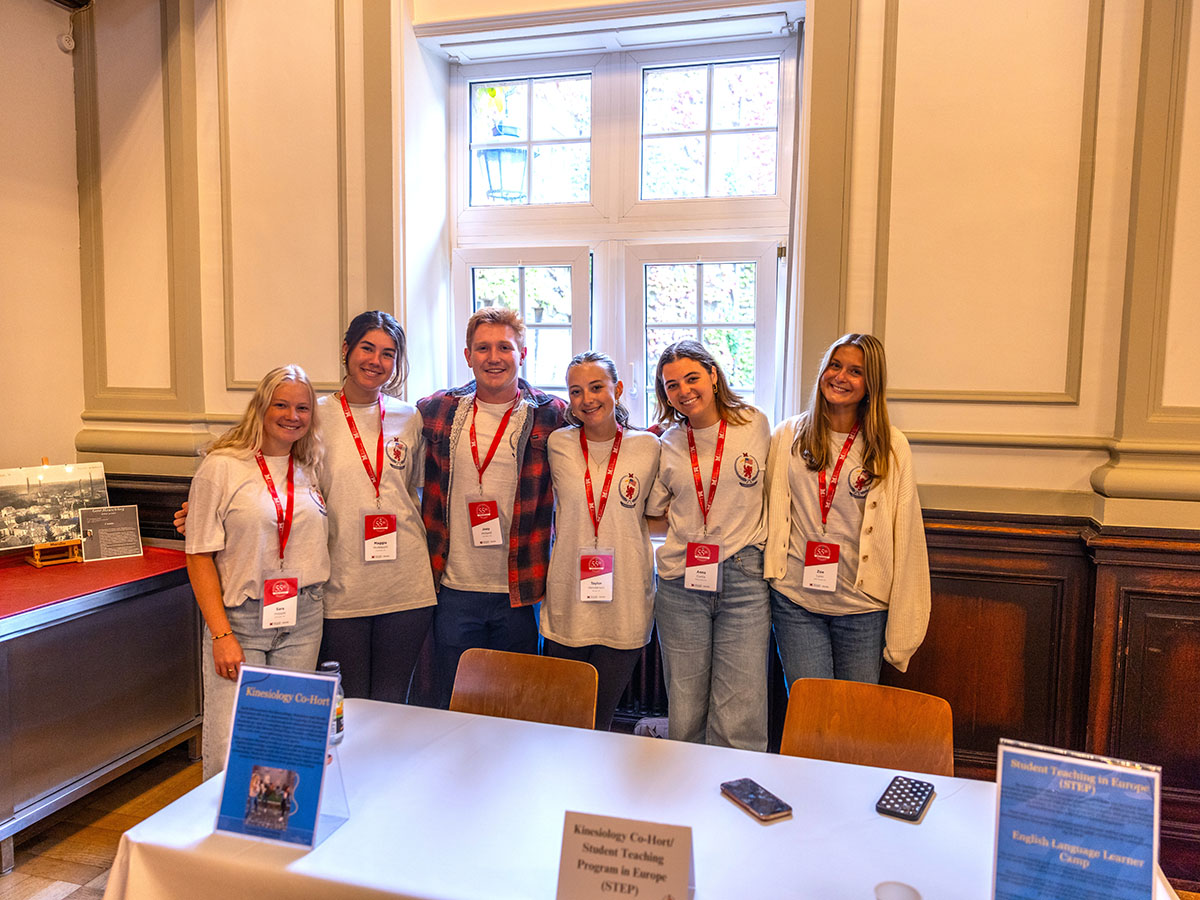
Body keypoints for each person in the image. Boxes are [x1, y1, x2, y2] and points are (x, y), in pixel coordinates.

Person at [176, 311, 437, 703]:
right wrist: (199, 513)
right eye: (367, 347)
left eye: (388, 353)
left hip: (406, 586)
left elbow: (412, 492)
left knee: (391, 704)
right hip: (338, 588)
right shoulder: (310, 414)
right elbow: (270, 475)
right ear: (346, 350)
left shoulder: (408, 417)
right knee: (342, 706)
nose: (376, 361)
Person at [417, 306, 567, 708]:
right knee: (454, 704)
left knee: (515, 705)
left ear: (523, 353)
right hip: (454, 587)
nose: (494, 357)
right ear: (468, 355)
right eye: (483, 348)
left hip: (520, 590)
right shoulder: (436, 411)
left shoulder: (553, 415)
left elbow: (609, 431)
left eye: (505, 347)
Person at [185, 365, 329, 780]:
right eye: (281, 404)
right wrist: (221, 634)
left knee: (288, 739)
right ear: (261, 407)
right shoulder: (222, 466)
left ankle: (275, 834)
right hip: (242, 621)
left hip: (303, 618)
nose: (292, 415)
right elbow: (198, 555)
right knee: (230, 745)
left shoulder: (308, 466)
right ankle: (219, 839)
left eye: (303, 407)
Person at [764, 333, 930, 687]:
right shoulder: (788, 436)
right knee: (810, 712)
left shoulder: (891, 445)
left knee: (854, 718)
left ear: (871, 384)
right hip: (796, 602)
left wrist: (905, 630)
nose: (840, 377)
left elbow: (908, 536)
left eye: (855, 371)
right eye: (835, 366)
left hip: (862, 608)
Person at [644, 340, 771, 750]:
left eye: (692, 378)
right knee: (686, 709)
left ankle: (736, 800)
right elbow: (654, 514)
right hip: (682, 584)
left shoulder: (755, 424)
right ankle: (689, 799)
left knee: (741, 709)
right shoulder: (667, 444)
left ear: (714, 375)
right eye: (671, 385)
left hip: (744, 579)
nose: (683, 391)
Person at [541, 351, 660, 730]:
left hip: (623, 602)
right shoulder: (557, 444)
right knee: (564, 718)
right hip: (567, 600)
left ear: (618, 389)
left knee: (601, 721)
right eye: (576, 392)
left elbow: (658, 512)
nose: (587, 399)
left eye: (596, 387)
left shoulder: (648, 447)